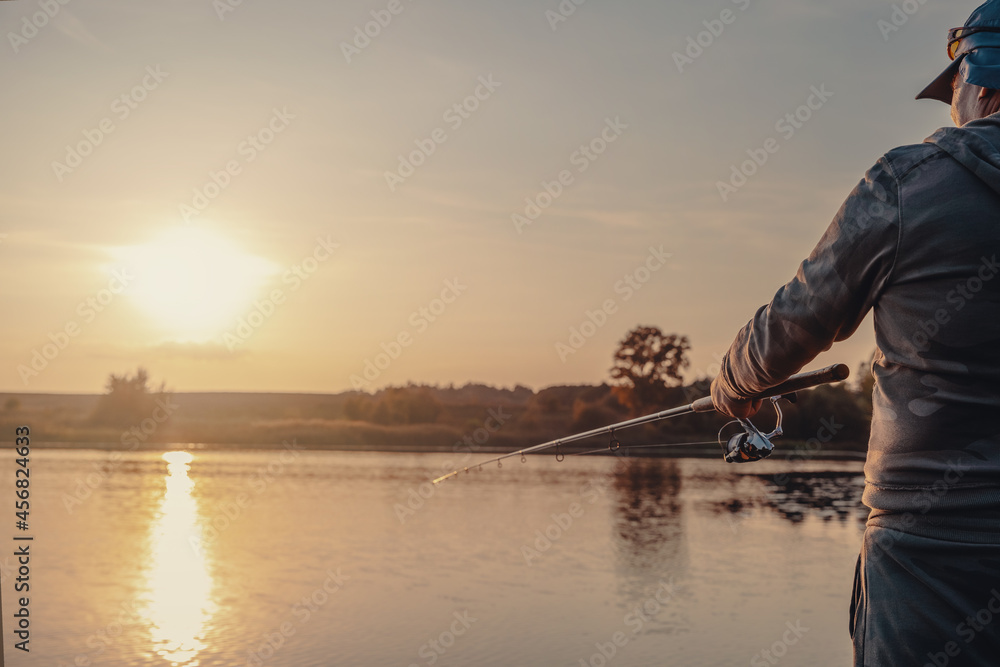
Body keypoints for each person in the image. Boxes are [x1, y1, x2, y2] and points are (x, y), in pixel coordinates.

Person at [709, 2, 1000, 665]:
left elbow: (794, 322)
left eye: (954, 91)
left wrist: (733, 381)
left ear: (981, 84)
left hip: (926, 560)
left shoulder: (908, 185)